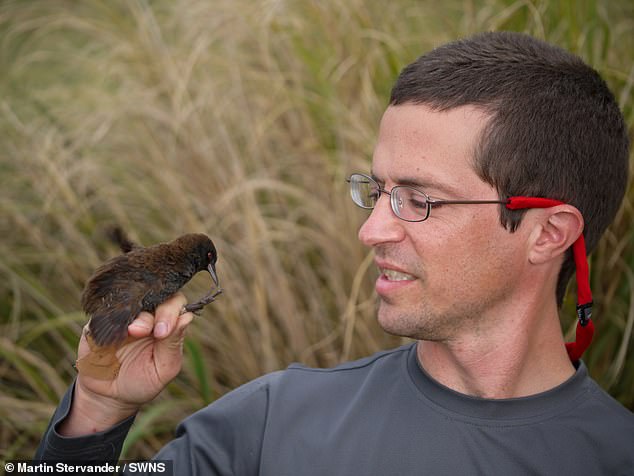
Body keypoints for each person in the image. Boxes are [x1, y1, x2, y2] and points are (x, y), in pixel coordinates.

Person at [36, 31, 634, 475]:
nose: (371, 231)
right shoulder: (272, 424)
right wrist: (97, 410)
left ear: (548, 233)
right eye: (377, 191)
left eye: (420, 200)